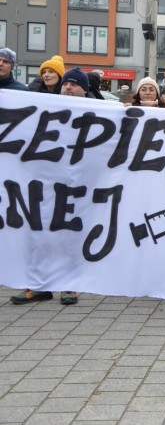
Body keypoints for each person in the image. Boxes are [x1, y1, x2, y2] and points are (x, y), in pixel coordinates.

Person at [10, 67, 93, 306]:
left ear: (84, 91)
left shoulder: (100, 111)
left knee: (70, 236)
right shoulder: (46, 108)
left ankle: (70, 285)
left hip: (77, 185)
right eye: (66, 83)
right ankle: (38, 285)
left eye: (74, 84)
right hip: (43, 182)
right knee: (37, 232)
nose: (68, 87)